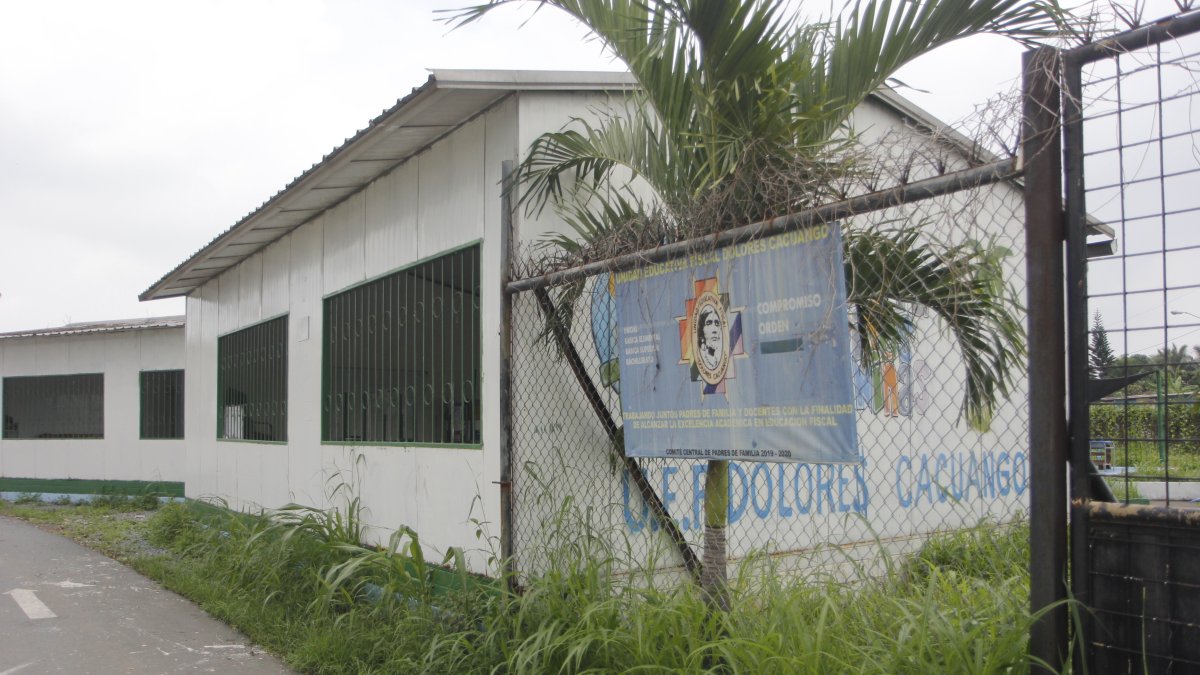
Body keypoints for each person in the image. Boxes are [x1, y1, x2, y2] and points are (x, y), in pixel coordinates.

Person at [697, 306, 723, 371]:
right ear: (702, 332)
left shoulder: (717, 360)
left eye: (717, 324)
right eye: (709, 323)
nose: (714, 330)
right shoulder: (701, 358)